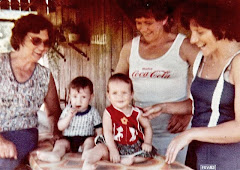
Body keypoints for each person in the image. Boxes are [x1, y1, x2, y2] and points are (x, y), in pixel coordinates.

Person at [115, 0, 199, 163]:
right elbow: (114, 84)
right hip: (138, 130)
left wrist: (189, 110)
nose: (143, 28)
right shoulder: (129, 48)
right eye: (139, 23)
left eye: (149, 23)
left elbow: (208, 81)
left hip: (173, 130)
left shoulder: (183, 46)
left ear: (164, 19)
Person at [165, 1, 240, 169]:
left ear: (222, 28)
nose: (193, 39)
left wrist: (190, 133)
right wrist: (164, 107)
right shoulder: (202, 58)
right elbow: (207, 105)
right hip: (197, 153)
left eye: (200, 32)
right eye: (191, 32)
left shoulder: (237, 62)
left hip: (226, 158)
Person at [0, 14, 62, 169]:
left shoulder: (44, 76)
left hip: (22, 135)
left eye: (46, 43)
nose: (42, 47)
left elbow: (54, 112)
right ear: (20, 38)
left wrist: (55, 133)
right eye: (36, 40)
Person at [82, 73, 156, 169]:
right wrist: (113, 150)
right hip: (112, 144)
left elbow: (147, 127)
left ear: (131, 94)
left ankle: (131, 159)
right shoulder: (109, 112)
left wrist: (147, 142)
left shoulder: (137, 112)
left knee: (148, 154)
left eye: (124, 93)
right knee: (100, 148)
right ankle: (89, 161)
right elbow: (107, 132)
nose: (120, 96)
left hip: (133, 147)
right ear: (109, 96)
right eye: (115, 93)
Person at [37, 76, 103, 162]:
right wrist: (68, 117)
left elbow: (98, 127)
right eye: (75, 97)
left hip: (86, 138)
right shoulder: (67, 110)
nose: (78, 101)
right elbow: (60, 127)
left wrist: (99, 138)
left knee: (90, 141)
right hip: (69, 138)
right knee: (60, 143)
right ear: (70, 97)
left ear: (90, 97)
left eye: (83, 97)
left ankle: (87, 154)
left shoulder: (93, 112)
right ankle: (56, 154)